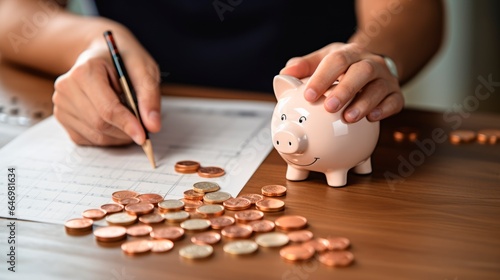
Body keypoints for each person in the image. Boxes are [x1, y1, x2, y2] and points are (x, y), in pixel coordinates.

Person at [0, 0, 444, 146]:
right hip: (145, 108)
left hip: (324, 100)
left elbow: (416, 13)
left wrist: (372, 55)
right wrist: (91, 42)